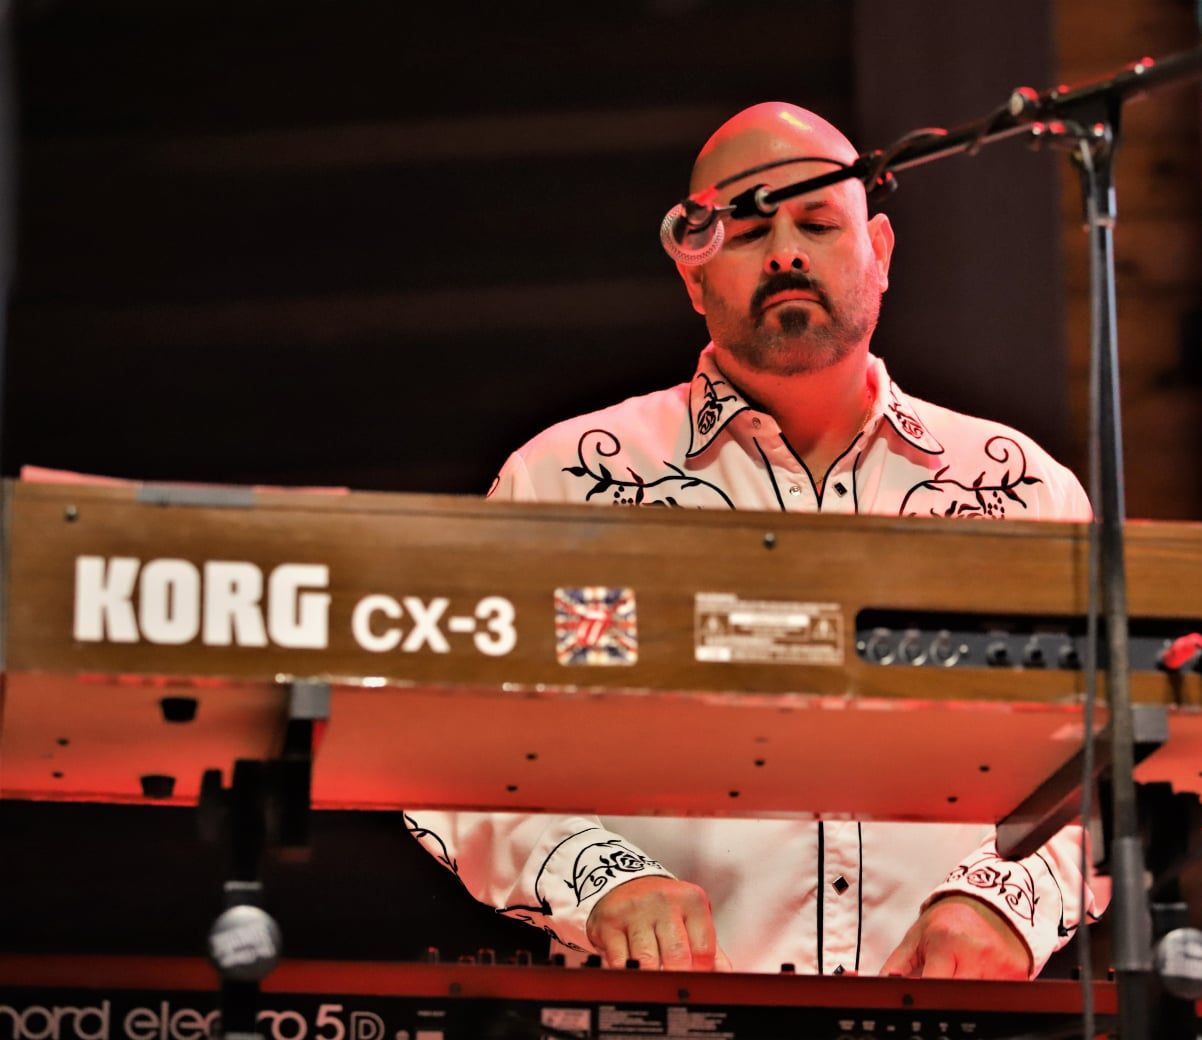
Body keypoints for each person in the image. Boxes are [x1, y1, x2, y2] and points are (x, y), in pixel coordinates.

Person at [406, 102, 1101, 980]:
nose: (784, 253)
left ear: (880, 252)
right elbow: (441, 747)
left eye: (817, 222)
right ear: (692, 275)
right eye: (746, 229)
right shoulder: (565, 479)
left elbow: (1114, 764)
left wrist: (1005, 903)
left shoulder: (1023, 490)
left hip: (949, 1023)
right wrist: (603, 883)